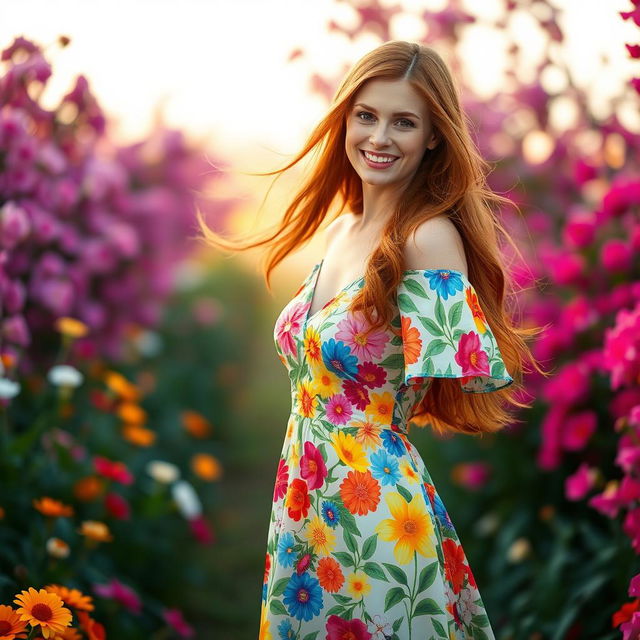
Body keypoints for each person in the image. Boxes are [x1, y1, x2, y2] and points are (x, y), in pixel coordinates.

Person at [200, 39, 543, 640]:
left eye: (403, 122)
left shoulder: (429, 238)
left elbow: (446, 370)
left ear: (434, 136)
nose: (379, 137)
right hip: (304, 502)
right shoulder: (340, 230)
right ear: (346, 119)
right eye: (367, 115)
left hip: (375, 512)